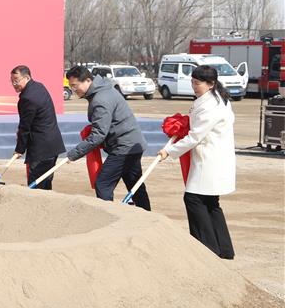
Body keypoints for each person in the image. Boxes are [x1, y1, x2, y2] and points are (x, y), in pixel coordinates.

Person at [160, 65, 236, 259]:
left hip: (209, 158)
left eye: (197, 83)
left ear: (210, 84)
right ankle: (224, 249)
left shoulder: (211, 105)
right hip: (212, 156)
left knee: (193, 199)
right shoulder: (214, 99)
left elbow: (195, 136)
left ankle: (207, 248)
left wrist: (169, 151)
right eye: (192, 82)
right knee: (210, 202)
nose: (194, 86)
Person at [65, 64, 151, 210]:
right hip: (133, 144)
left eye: (75, 85)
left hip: (124, 146)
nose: (73, 90)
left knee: (103, 183)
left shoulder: (100, 99)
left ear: (87, 81)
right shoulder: (103, 89)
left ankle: (107, 214)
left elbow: (98, 134)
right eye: (71, 86)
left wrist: (74, 154)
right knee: (134, 183)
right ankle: (146, 214)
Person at [10, 65, 66, 189]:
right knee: (45, 183)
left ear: (27, 78)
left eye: (16, 81)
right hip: (52, 144)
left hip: (41, 149)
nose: (14, 84)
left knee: (37, 187)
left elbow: (25, 127)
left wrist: (19, 149)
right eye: (12, 81)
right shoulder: (39, 87)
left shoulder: (27, 98)